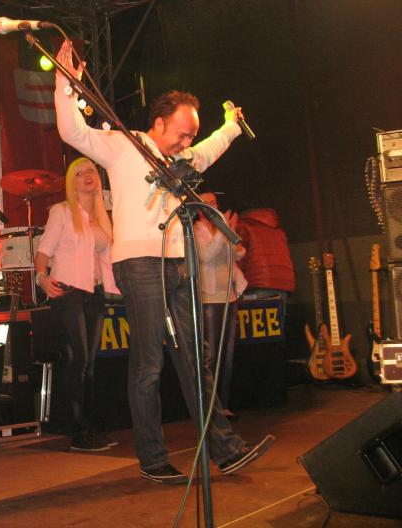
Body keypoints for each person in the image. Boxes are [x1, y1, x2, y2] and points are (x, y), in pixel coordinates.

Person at [53, 40, 275, 484]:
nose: (186, 142)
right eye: (181, 133)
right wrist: (64, 83)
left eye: (191, 135)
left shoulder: (180, 159)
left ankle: (225, 449)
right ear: (158, 123)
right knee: (149, 362)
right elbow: (74, 133)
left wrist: (231, 126)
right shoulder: (124, 146)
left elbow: (210, 149)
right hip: (139, 263)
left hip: (178, 262)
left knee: (195, 358)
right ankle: (153, 458)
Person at [34, 157, 120, 452]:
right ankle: (78, 431)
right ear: (72, 182)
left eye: (91, 171)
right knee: (80, 359)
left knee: (91, 362)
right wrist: (42, 278)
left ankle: (91, 427)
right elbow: (43, 251)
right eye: (80, 173)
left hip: (94, 292)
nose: (87, 176)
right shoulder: (61, 212)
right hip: (69, 291)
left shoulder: (101, 216)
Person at [194, 192, 248, 419]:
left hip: (229, 296)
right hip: (209, 299)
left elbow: (239, 253)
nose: (212, 206)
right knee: (212, 354)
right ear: (198, 209)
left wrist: (228, 233)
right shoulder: (194, 230)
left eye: (214, 203)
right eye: (206, 204)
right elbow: (206, 256)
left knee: (228, 353)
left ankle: (223, 404)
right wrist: (223, 232)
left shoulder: (221, 229)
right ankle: (210, 407)